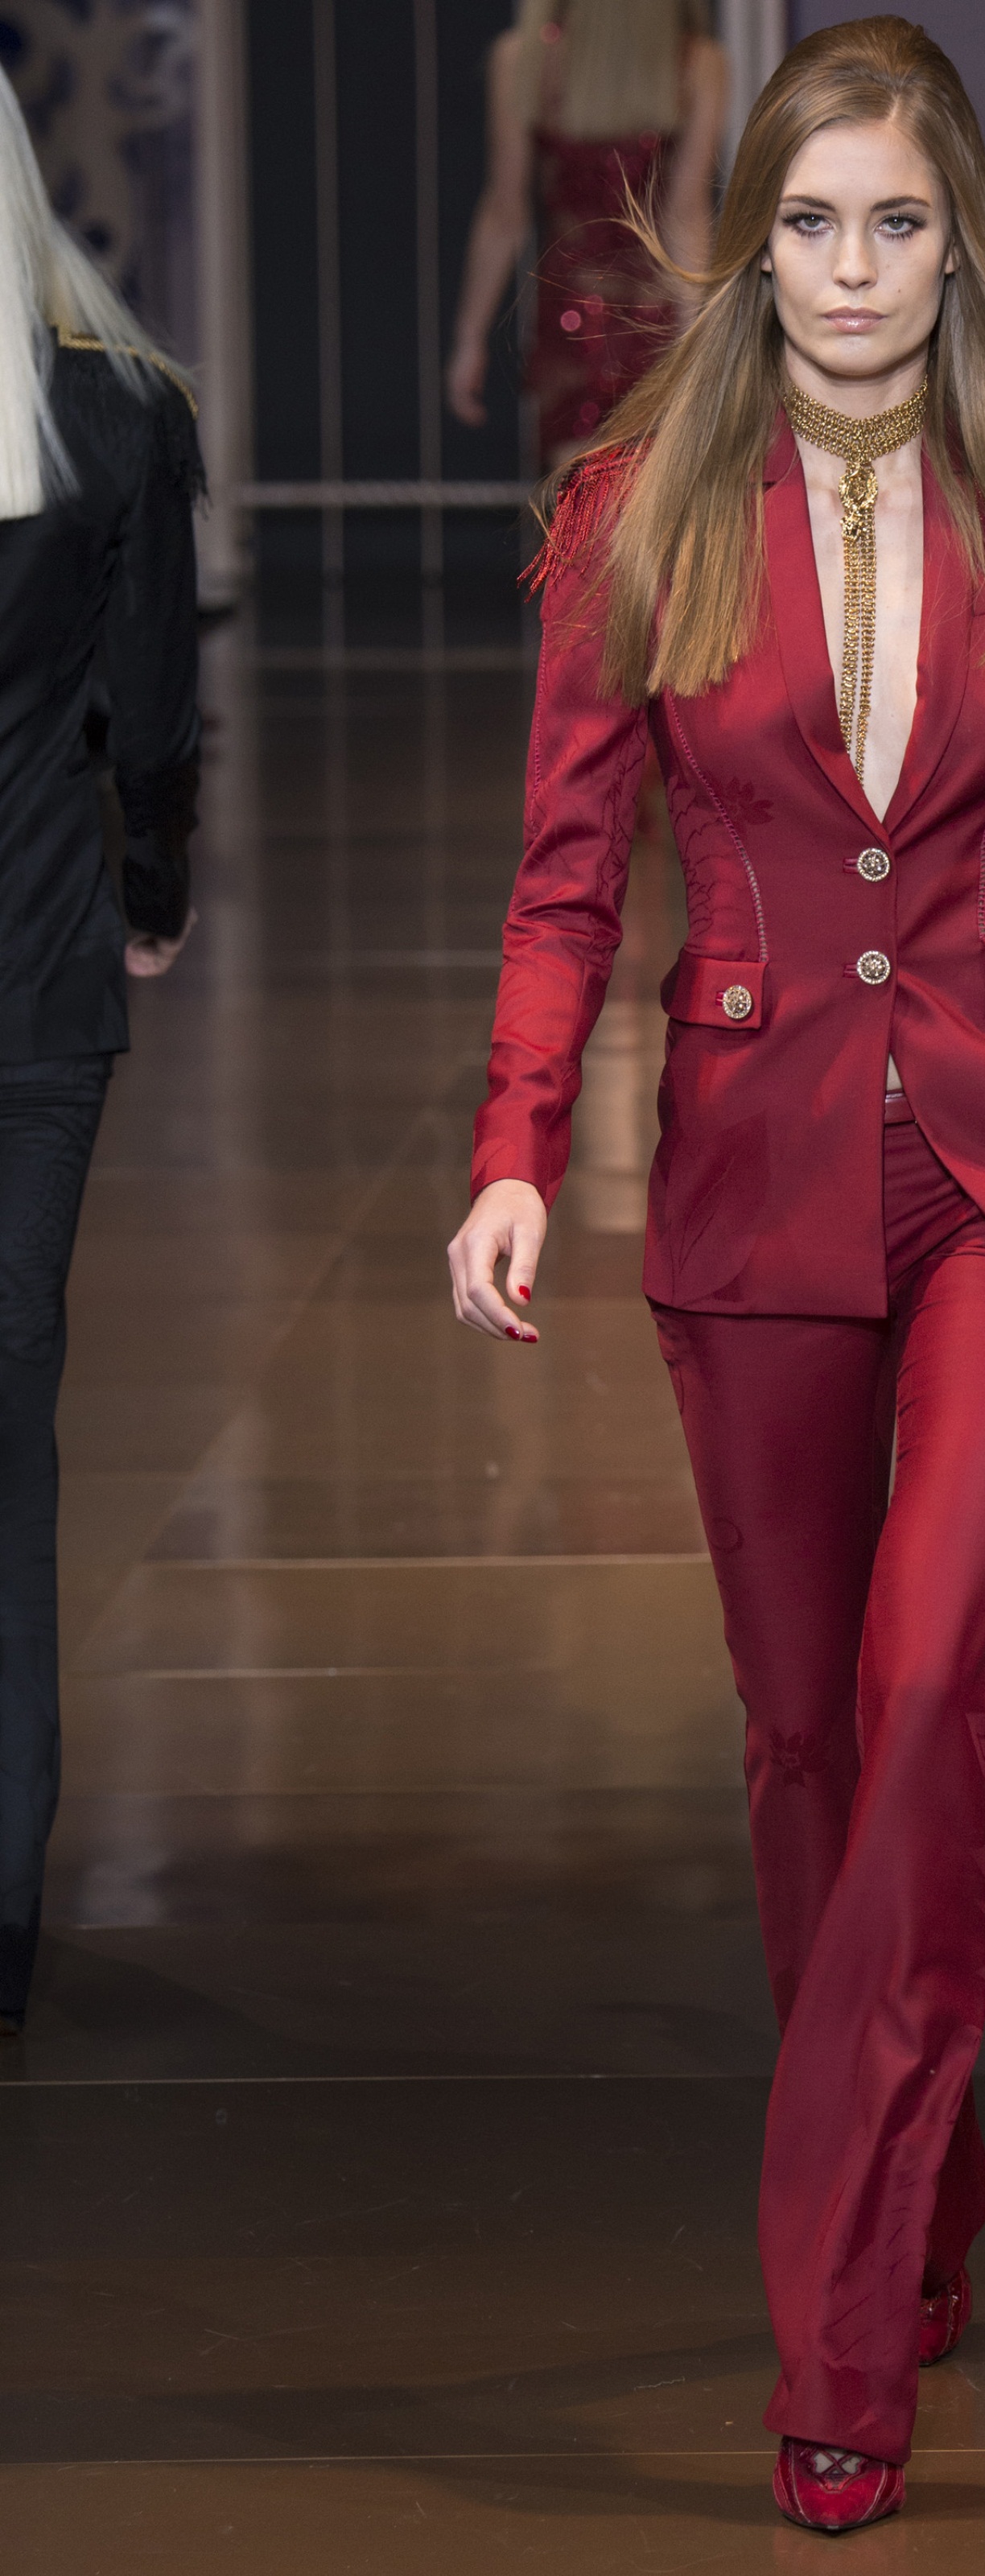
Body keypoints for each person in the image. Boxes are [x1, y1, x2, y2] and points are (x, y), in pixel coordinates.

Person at [448, 14, 985, 2532]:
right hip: (753, 1175)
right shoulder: (634, 507)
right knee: (801, 1744)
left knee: (928, 1683)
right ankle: (918, 2165)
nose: (852, 270)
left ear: (958, 243)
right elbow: (567, 875)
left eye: (896, 223)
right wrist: (515, 1145)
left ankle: (841, 2327)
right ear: (747, 241)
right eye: (808, 224)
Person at [0, 68, 200, 2037]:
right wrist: (157, 889)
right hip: (38, 977)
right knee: (8, 1435)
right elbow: (152, 716)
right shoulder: (116, 410)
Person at [446, 0, 728, 464]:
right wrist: (700, 343)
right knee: (651, 497)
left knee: (578, 498)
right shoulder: (698, 64)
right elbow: (685, 217)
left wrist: (469, 340)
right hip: (655, 319)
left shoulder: (525, 60)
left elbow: (505, 213)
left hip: (569, 321)